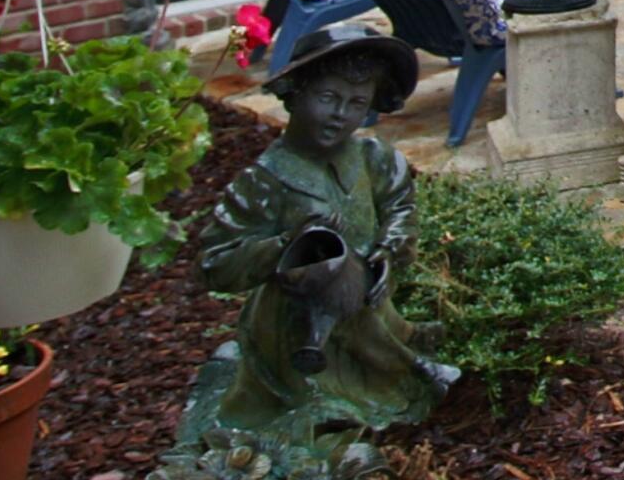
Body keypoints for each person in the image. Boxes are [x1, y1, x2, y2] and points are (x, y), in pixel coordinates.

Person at [195, 25, 455, 447]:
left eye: (357, 104)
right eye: (328, 98)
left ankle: (384, 374)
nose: (340, 115)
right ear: (295, 93)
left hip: (368, 307)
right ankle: (332, 395)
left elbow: (400, 209)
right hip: (290, 329)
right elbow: (214, 265)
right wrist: (285, 247)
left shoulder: (374, 159)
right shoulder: (264, 181)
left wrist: (390, 251)